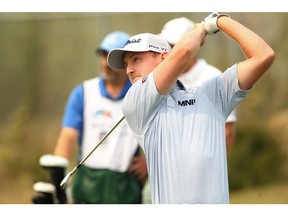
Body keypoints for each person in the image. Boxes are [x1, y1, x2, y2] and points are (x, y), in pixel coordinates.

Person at [107, 13, 275, 204]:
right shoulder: (135, 102)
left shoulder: (211, 94)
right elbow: (185, 51)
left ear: (163, 58)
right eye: (126, 63)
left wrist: (220, 20)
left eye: (136, 59)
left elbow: (264, 55)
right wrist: (202, 28)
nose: (128, 69)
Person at [53, 31, 148, 204]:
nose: (105, 62)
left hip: (125, 188)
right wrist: (56, 178)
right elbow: (67, 137)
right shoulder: (83, 92)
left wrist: (149, 162)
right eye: (103, 55)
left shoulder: (141, 93)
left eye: (110, 56)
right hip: (87, 184)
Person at [159, 17, 237, 153]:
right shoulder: (160, 78)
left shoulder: (213, 77)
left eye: (172, 46)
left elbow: (227, 133)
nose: (167, 52)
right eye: (165, 46)